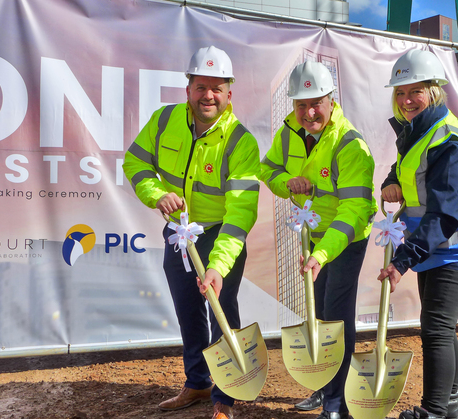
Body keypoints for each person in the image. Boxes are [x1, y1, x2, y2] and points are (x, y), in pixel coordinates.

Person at [123, 45, 260, 419]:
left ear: (229, 93)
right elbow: (134, 162)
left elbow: (241, 212)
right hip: (179, 233)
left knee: (221, 309)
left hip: (220, 234)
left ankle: (226, 397)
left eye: (217, 88)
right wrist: (156, 194)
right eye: (201, 87)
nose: (208, 95)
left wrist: (218, 265)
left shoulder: (241, 141)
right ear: (188, 89)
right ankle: (198, 382)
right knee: (188, 308)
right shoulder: (164, 120)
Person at [376, 49, 458, 419]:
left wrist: (401, 262)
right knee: (438, 324)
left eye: (416, 91)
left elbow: (444, 214)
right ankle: (451, 407)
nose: (407, 100)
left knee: (436, 328)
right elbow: (409, 171)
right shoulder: (418, 132)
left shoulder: (452, 142)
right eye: (400, 92)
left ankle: (434, 411)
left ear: (435, 91)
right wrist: (392, 180)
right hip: (433, 249)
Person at [260, 61, 377, 419]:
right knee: (317, 312)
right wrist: (287, 183)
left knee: (335, 316)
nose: (309, 112)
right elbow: (268, 170)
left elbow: (354, 211)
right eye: (301, 104)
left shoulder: (350, 144)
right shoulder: (288, 132)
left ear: (331, 100)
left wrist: (322, 254)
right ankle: (324, 387)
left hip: (344, 238)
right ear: (292, 105)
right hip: (311, 234)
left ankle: (337, 401)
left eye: (316, 103)